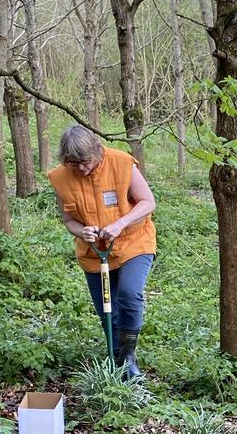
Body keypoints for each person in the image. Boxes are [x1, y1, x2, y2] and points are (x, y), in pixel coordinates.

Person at [49, 126, 156, 378]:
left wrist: (120, 224)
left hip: (134, 243)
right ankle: (119, 362)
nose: (81, 169)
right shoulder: (60, 177)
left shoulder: (121, 163)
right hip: (95, 253)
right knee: (107, 312)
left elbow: (148, 202)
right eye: (73, 163)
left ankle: (128, 354)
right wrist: (81, 231)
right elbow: (68, 220)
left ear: (97, 151)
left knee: (129, 294)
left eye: (85, 162)